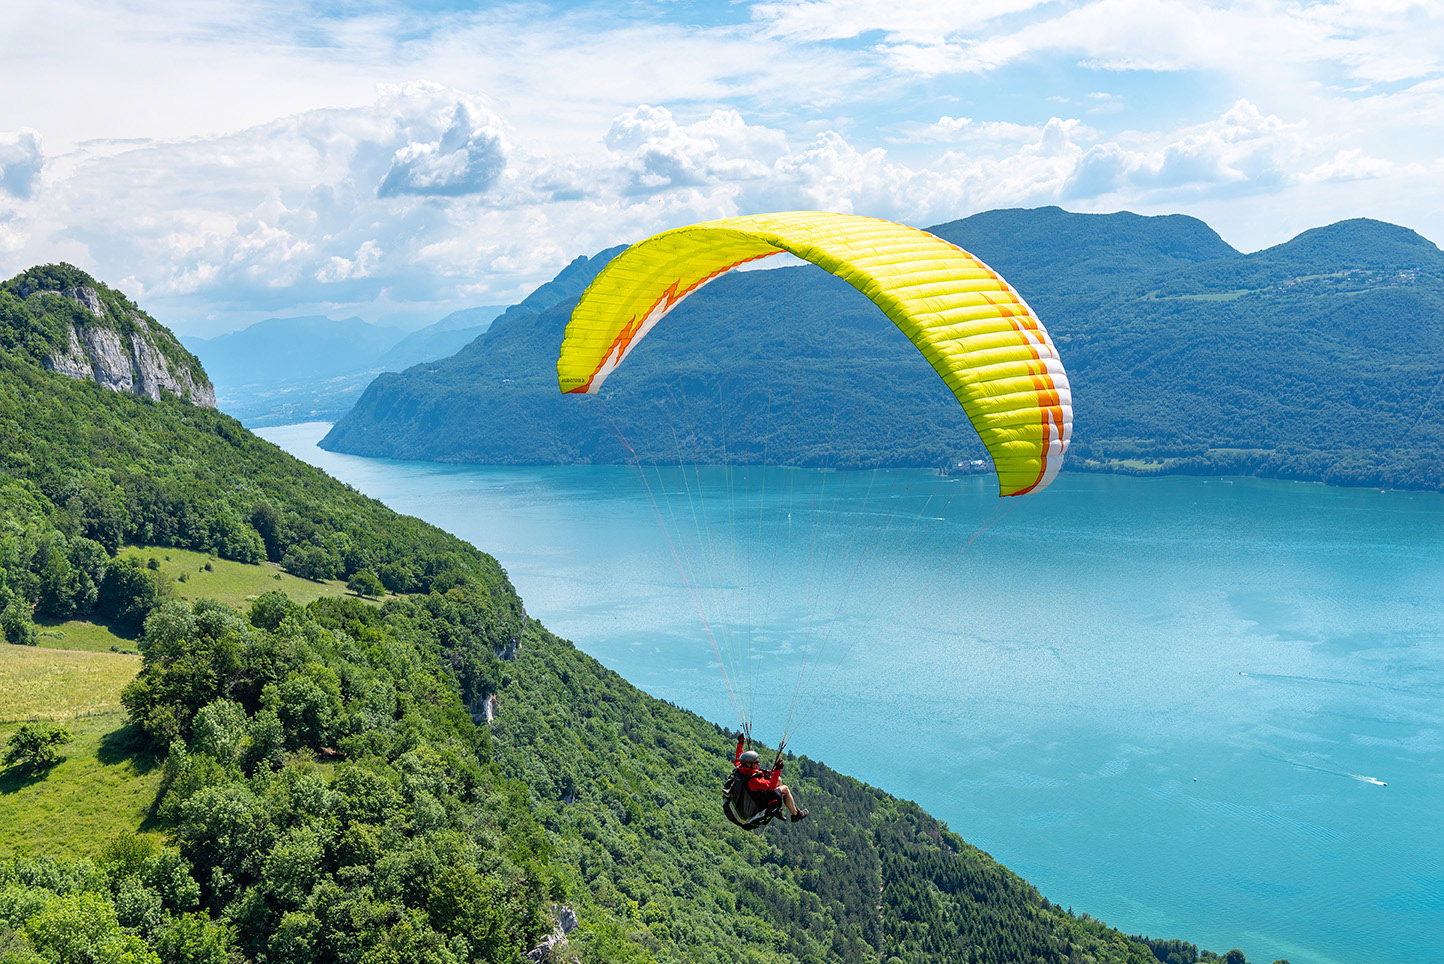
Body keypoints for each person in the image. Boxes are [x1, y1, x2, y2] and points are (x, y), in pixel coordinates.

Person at [733, 733, 808, 823]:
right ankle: (795, 815)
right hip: (760, 803)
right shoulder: (753, 780)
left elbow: (737, 759)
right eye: (756, 762)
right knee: (785, 789)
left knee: (778, 780)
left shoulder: (741, 768)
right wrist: (778, 769)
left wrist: (740, 743)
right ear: (748, 764)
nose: (758, 764)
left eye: (758, 761)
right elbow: (771, 786)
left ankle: (778, 811)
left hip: (755, 794)